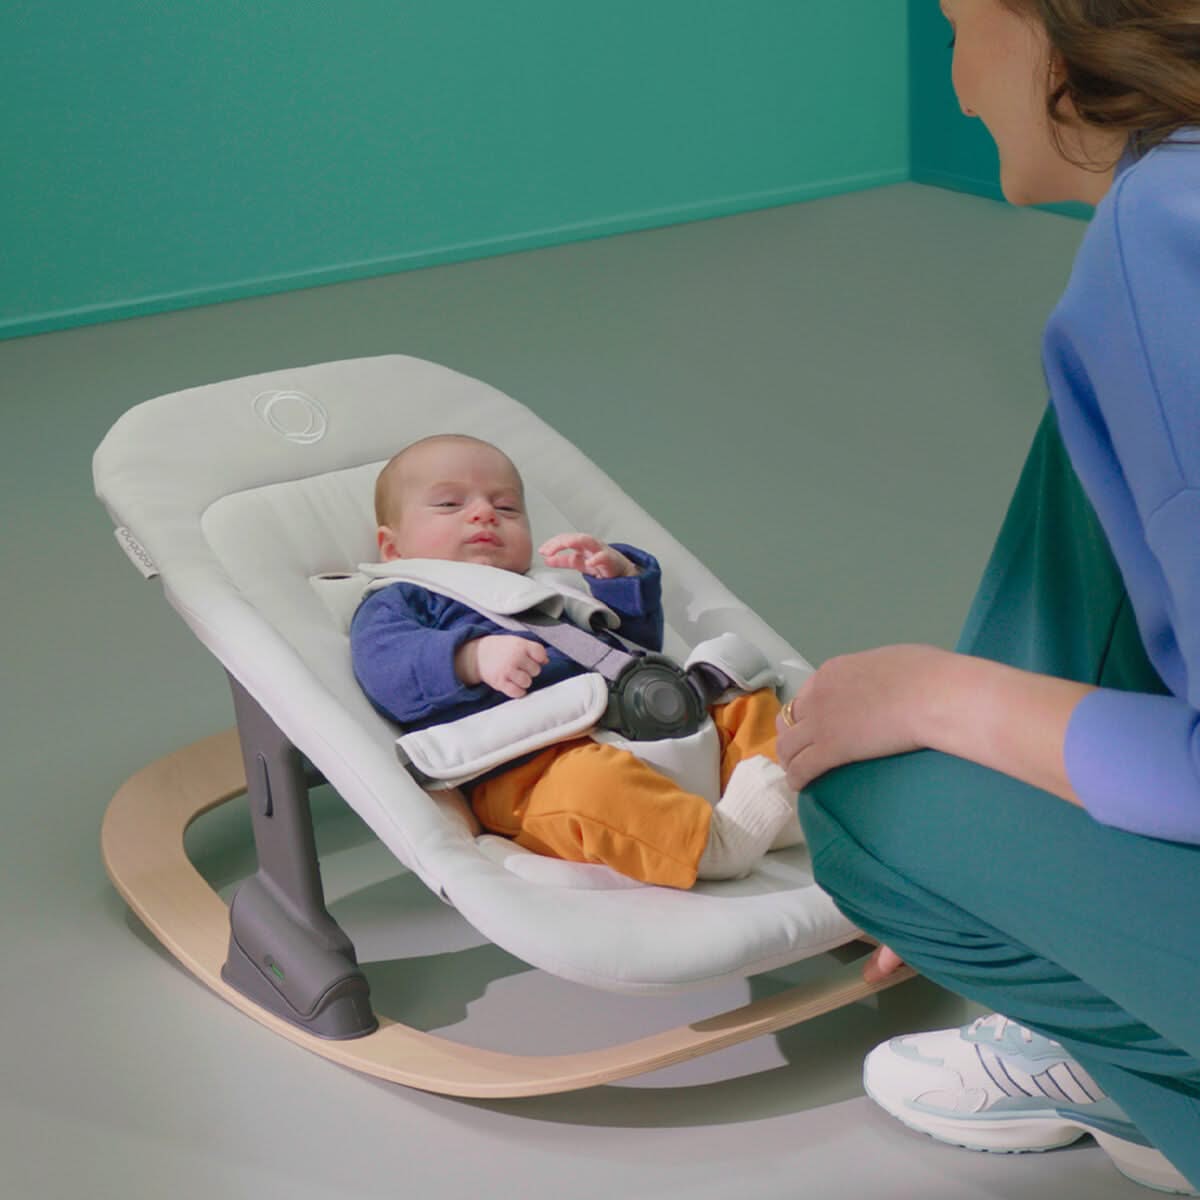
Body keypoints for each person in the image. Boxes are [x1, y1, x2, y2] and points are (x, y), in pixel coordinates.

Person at [775, 0, 1200, 1193]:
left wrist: (938, 700)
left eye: (959, 25)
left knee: (873, 804)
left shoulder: (1164, 235)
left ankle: (1146, 1054)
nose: (959, 86)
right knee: (1087, 452)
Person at [351, 433, 802, 889]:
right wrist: (470, 658)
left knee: (742, 696)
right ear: (392, 547)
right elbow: (387, 672)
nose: (485, 513)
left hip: (643, 720)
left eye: (507, 507)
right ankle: (716, 846)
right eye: (450, 504)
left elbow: (636, 650)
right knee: (591, 787)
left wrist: (618, 581)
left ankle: (790, 793)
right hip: (530, 769)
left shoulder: (549, 588)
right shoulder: (401, 599)